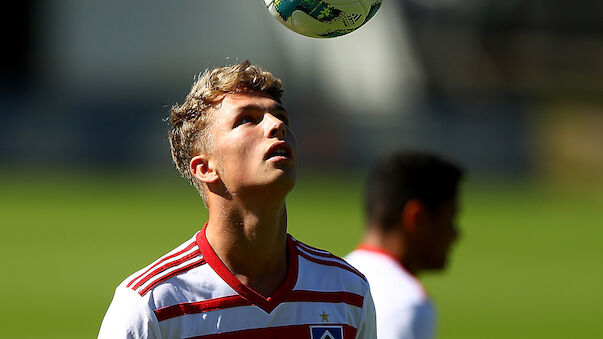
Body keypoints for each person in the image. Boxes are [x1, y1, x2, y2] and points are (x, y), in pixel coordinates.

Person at [98, 61, 376, 339]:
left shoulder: (346, 291)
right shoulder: (152, 305)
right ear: (205, 168)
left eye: (281, 117)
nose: (277, 125)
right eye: (247, 119)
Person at [345, 151, 463, 339]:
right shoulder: (407, 304)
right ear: (417, 218)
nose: (456, 234)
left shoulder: (334, 280)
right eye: (450, 219)